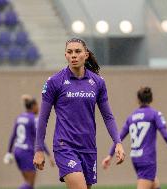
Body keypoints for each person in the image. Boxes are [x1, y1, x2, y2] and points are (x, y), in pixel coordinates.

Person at [33, 38, 125, 189]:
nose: (73, 55)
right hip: (65, 146)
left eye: (77, 51)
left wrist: (118, 142)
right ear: (65, 56)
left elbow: (108, 116)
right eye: (69, 52)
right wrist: (39, 150)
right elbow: (43, 118)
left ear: (86, 55)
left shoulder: (97, 82)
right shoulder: (54, 82)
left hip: (88, 147)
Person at [102, 87, 167, 189]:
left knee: (154, 184)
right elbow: (165, 135)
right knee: (147, 182)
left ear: (138, 100)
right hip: (147, 159)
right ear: (151, 99)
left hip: (136, 158)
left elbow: (119, 137)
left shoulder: (131, 117)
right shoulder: (155, 114)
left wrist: (110, 155)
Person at [3, 94, 54, 189]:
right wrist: (48, 154)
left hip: (17, 151)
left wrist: (9, 152)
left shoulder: (20, 117)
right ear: (33, 106)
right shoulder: (33, 119)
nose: (38, 108)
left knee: (28, 183)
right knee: (30, 183)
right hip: (27, 152)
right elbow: (39, 138)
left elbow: (13, 136)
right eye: (37, 105)